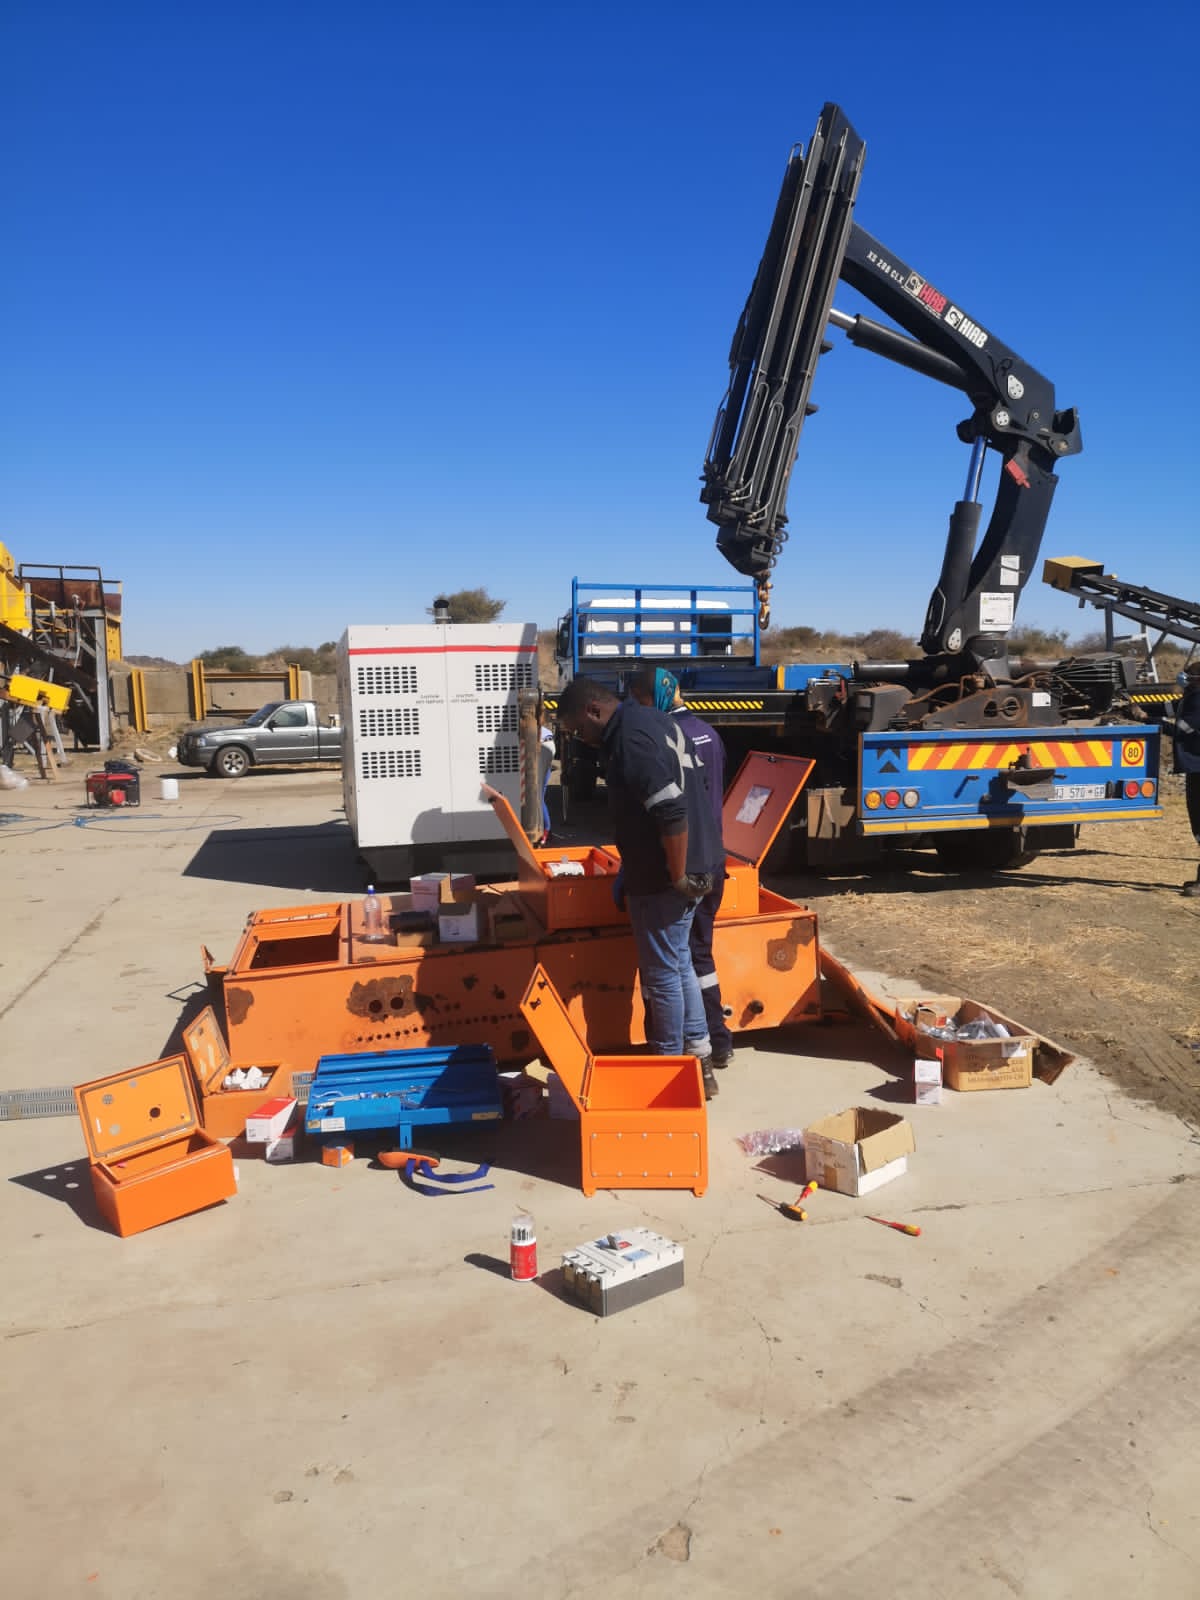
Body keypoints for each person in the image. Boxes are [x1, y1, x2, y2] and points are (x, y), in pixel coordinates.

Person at [556, 675, 724, 1099]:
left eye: (578, 728)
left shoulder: (630, 740)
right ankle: (700, 1059)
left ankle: (667, 1071)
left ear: (594, 710)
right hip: (694, 862)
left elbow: (671, 810)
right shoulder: (654, 719)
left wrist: (676, 874)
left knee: (663, 975)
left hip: (665, 876)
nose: (580, 738)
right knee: (680, 963)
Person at [628, 666, 735, 1071]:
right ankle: (716, 1044)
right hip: (713, 856)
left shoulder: (667, 736)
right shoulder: (707, 733)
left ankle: (684, 1052)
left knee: (676, 963)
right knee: (697, 956)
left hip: (687, 859)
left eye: (638, 699)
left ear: (649, 696)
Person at [1170, 661, 1200, 898]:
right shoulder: (1191, 698)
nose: (1183, 677)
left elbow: (1179, 729)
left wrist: (1146, 719)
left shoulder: (1198, 701)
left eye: (1188, 675)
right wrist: (1134, 708)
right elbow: (1170, 708)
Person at [537, 706, 556, 846]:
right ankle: (546, 830)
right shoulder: (547, 732)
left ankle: (547, 831)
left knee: (538, 799)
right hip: (546, 765)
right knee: (539, 798)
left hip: (540, 765)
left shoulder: (536, 732)